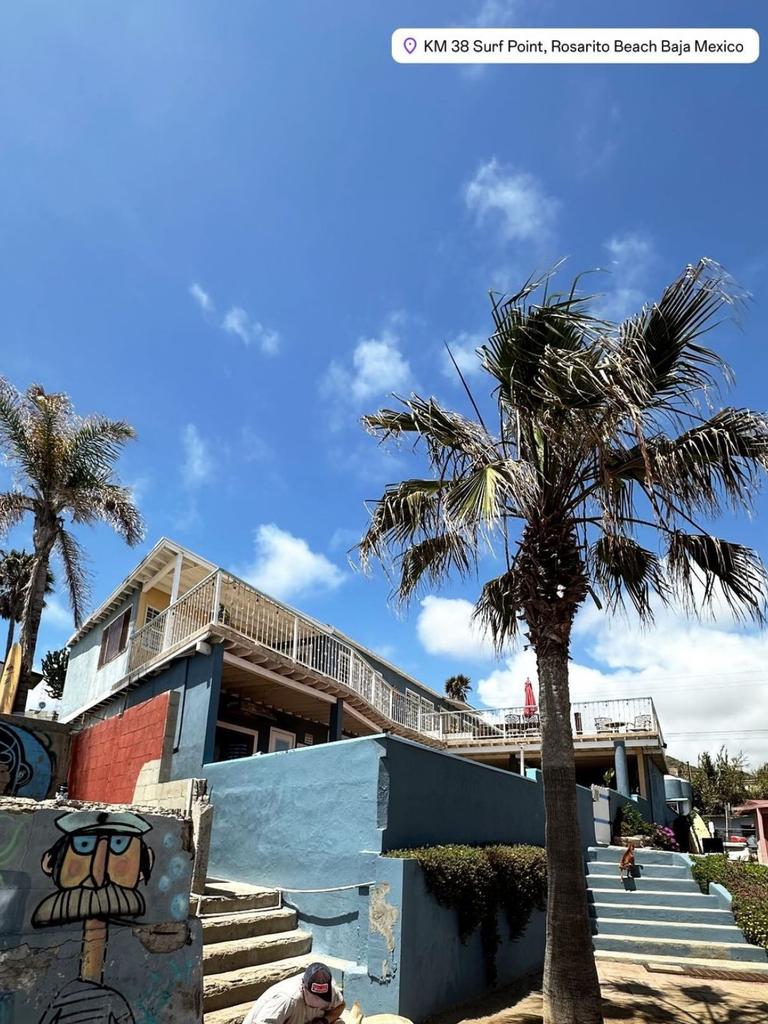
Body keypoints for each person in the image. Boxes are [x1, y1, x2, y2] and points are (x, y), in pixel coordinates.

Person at [244, 962, 345, 1024]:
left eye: (323, 997)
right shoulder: (287, 999)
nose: (321, 1003)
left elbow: (340, 1005)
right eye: (316, 998)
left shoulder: (328, 988)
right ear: (303, 988)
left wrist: (324, 1021)